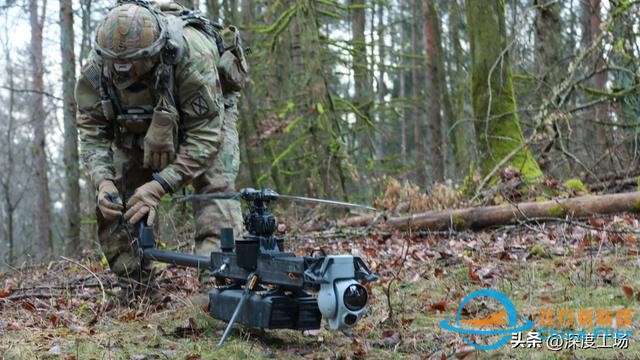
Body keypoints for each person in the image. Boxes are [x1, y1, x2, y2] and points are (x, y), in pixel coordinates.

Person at [75, 0, 247, 302]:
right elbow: (91, 127)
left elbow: (207, 137)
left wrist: (159, 186)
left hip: (205, 119)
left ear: (153, 53)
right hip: (136, 125)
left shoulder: (193, 57)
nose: (123, 73)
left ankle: (222, 289)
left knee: (215, 190)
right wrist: (102, 181)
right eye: (117, 67)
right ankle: (136, 287)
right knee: (115, 200)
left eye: (132, 66)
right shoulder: (96, 67)